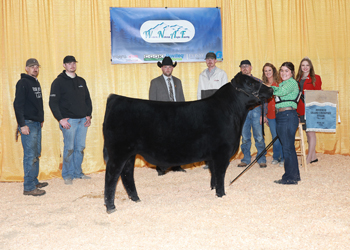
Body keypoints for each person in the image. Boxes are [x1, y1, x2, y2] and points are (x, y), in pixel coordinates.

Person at [49, 55, 92, 185]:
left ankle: (78, 172)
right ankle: (67, 174)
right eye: (69, 63)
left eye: (73, 63)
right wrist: (60, 119)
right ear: (64, 65)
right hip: (69, 122)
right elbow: (53, 102)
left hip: (82, 120)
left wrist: (89, 115)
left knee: (80, 147)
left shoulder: (81, 81)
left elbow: (87, 99)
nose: (72, 65)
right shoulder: (58, 82)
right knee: (70, 148)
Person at [13, 58, 48, 196]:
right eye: (32, 66)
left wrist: (41, 119)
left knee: (36, 153)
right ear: (26, 68)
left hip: (36, 123)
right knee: (30, 155)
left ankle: (34, 181)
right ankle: (28, 187)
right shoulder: (23, 82)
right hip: (28, 123)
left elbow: (37, 104)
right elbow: (18, 105)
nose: (35, 68)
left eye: (37, 66)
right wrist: (22, 125)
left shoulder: (35, 82)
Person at [149, 56, 186, 175]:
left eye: (170, 67)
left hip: (176, 115)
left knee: (177, 141)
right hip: (161, 116)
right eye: (165, 67)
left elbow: (181, 99)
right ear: (162, 68)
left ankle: (176, 165)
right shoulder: (155, 82)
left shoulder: (178, 81)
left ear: (172, 68)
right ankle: (161, 167)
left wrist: (183, 113)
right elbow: (151, 101)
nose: (168, 69)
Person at [197, 52, 228, 169]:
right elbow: (199, 92)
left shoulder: (222, 74)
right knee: (207, 135)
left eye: (212, 59)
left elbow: (225, 93)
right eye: (208, 59)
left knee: (220, 135)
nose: (210, 61)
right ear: (206, 61)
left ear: (216, 61)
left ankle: (221, 159)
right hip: (206, 110)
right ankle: (208, 160)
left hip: (218, 110)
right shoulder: (202, 75)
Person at [271, 62, 300, 185]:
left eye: (286, 71)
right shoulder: (283, 83)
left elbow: (280, 92)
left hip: (287, 115)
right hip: (284, 115)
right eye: (282, 70)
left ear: (292, 73)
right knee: (288, 147)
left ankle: (289, 177)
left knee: (287, 148)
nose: (283, 73)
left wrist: (268, 87)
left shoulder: (291, 83)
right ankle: (294, 175)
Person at [237, 60, 267, 168]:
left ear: (251, 67)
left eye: (247, 66)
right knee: (244, 137)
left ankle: (262, 158)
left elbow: (264, 98)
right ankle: (246, 158)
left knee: (259, 136)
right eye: (242, 66)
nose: (245, 68)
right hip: (243, 112)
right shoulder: (238, 84)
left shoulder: (258, 82)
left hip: (256, 110)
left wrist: (264, 114)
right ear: (240, 69)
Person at [296, 57, 322, 164]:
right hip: (301, 109)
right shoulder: (298, 79)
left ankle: (308, 158)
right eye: (303, 65)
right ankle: (314, 157)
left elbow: (319, 94)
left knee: (311, 133)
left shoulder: (316, 78)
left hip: (311, 109)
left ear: (310, 66)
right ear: (300, 67)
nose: (305, 67)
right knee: (307, 132)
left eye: (307, 65)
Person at [262, 63, 284, 167]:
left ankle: (283, 158)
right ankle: (276, 157)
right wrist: (264, 115)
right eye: (265, 71)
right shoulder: (263, 85)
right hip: (270, 114)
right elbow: (262, 101)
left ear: (273, 71)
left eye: (269, 70)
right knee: (275, 137)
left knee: (282, 136)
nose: (267, 73)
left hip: (280, 112)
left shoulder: (279, 82)